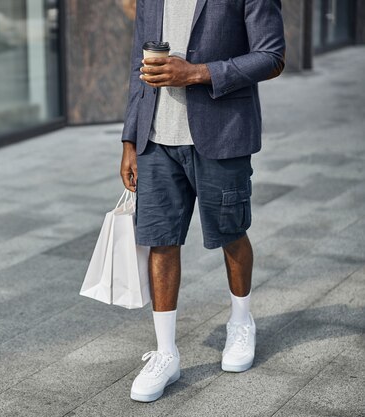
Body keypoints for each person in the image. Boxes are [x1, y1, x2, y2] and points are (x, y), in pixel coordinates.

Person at [119, 0, 285, 403]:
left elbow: (272, 56)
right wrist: (129, 138)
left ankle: (241, 322)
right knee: (160, 241)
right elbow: (138, 64)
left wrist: (196, 73)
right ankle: (166, 353)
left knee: (231, 233)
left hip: (222, 134)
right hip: (155, 141)